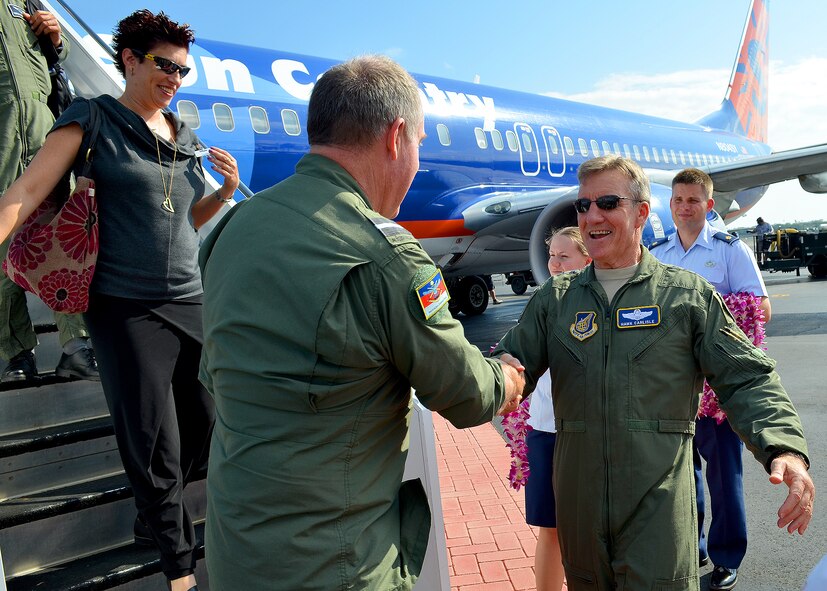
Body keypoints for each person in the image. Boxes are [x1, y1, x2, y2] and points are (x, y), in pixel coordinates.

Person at [199, 55, 525, 591]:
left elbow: (216, 373)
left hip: (238, 550)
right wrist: (508, 377)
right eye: (419, 143)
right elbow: (466, 395)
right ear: (396, 137)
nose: (418, 160)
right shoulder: (385, 254)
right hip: (335, 562)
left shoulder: (233, 228)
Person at [492, 155, 814, 591]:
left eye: (608, 202)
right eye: (583, 206)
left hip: (658, 516)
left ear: (642, 211)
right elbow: (507, 366)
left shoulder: (685, 297)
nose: (592, 216)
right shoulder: (556, 301)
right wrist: (488, 376)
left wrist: (785, 449)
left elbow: (747, 378)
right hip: (581, 515)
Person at [0, 10, 239, 591]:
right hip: (123, 306)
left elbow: (187, 220)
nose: (175, 77)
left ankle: (150, 514)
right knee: (154, 441)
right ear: (129, 60)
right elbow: (29, 188)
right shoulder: (94, 118)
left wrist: (228, 191)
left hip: (188, 299)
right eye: (164, 65)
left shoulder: (183, 136)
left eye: (183, 69)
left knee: (207, 427)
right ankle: (178, 573)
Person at [651, 168, 770, 590]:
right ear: (671, 204)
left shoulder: (728, 251)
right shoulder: (659, 253)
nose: (685, 207)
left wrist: (709, 314)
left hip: (716, 387)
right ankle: (693, 543)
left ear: (709, 205)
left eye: (693, 201)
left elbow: (761, 310)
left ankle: (725, 556)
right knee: (682, 474)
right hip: (674, 386)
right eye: (679, 200)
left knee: (724, 476)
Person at [0, 0, 98, 383]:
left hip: (44, 130)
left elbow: (55, 59)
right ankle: (17, 353)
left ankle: (75, 347)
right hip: (4, 133)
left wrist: (56, 37)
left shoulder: (24, 2)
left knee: (62, 235)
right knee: (5, 243)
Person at [526, 227, 590, 591]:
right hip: (546, 432)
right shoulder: (541, 304)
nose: (554, 264)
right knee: (549, 529)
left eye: (564, 256)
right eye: (552, 255)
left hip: (590, 432)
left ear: (588, 258)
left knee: (591, 528)